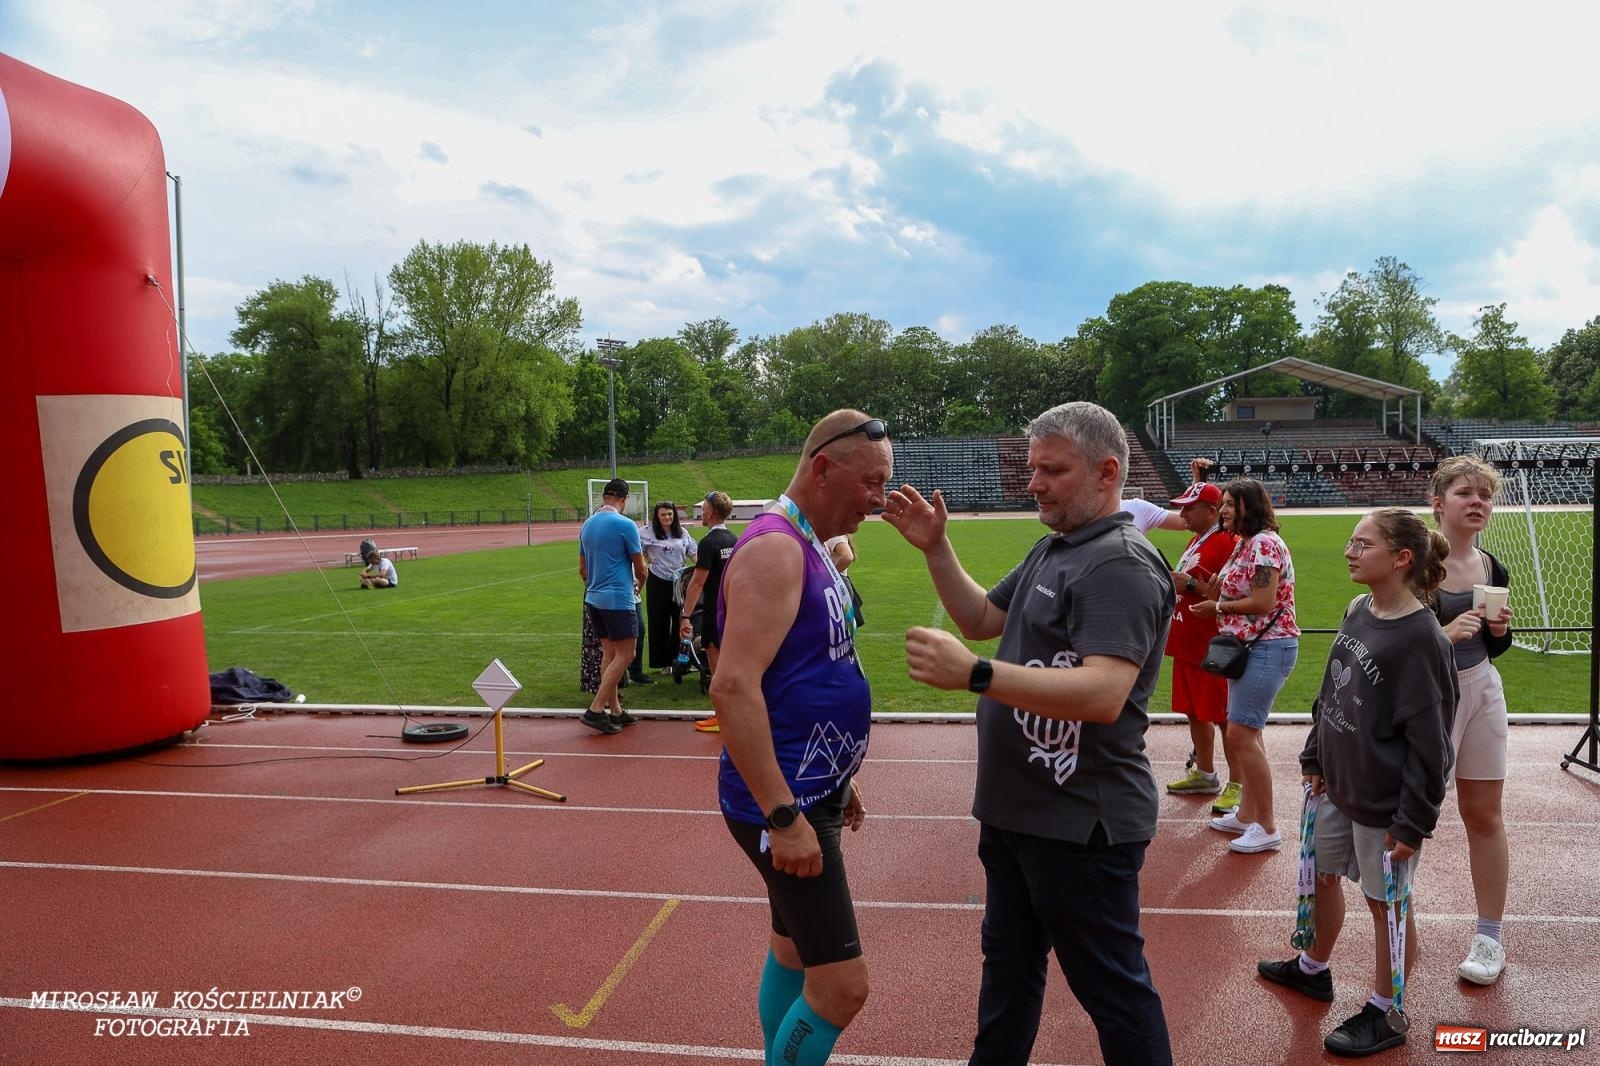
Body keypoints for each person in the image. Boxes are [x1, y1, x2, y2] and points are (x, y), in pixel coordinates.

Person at [885, 401, 1173, 1066]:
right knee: (1009, 970)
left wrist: (977, 675)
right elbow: (981, 617)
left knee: (1113, 991)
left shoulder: (1119, 563)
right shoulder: (1057, 546)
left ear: (1107, 472)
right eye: (1033, 468)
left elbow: (1104, 692)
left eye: (1053, 470)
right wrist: (936, 547)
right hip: (1018, 809)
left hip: (1080, 821)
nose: (1034, 483)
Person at [710, 410, 889, 1066]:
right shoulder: (776, 550)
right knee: (841, 989)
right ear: (822, 469)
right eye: (871, 482)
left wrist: (841, 773)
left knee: (791, 952)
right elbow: (733, 687)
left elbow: (812, 668)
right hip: (785, 802)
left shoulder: (808, 541)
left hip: (814, 783)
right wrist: (783, 816)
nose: (880, 499)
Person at [1257, 508, 1457, 1058]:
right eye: (1351, 541)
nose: (1350, 551)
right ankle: (1313, 967)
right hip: (1338, 786)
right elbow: (1331, 692)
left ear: (1401, 558)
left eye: (1363, 544)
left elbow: (1432, 744)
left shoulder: (1422, 640)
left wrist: (1413, 821)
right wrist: (1314, 755)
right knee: (1322, 877)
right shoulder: (1358, 609)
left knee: (1386, 905)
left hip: (1384, 803)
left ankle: (1387, 1009)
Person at [1429, 455, 1515, 985]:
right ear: (1438, 503)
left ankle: (1490, 938)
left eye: (1485, 494)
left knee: (1484, 816)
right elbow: (1391, 642)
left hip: (1482, 689)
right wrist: (1443, 635)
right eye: (1466, 493)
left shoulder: (1491, 566)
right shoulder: (1414, 563)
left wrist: (1499, 632)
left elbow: (1495, 647)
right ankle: (1397, 933)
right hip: (1430, 699)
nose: (1478, 502)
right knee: (1409, 819)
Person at [1190, 478, 1299, 854]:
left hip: (1267, 647)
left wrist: (1218, 606)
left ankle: (1267, 825)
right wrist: (1210, 589)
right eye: (1222, 504)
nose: (1222, 511)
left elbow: (1264, 602)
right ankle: (1248, 813)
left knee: (1239, 734)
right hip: (1250, 648)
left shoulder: (1264, 544)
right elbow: (1238, 591)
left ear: (1248, 507)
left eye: (1229, 504)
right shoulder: (1244, 543)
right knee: (1249, 732)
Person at [1160, 481, 1243, 813]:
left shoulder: (1228, 542)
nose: (1182, 514)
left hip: (1214, 646)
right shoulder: (1197, 539)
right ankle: (1205, 773)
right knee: (1194, 711)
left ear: (1211, 511)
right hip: (1188, 643)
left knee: (1225, 717)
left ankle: (1237, 784)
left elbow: (1234, 595)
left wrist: (1190, 584)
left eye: (1188, 508)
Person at [577, 478, 648, 735]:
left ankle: (615, 709)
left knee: (609, 654)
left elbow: (582, 569)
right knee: (627, 654)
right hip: (618, 598)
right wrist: (639, 586)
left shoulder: (587, 525)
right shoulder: (626, 525)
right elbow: (641, 567)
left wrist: (595, 585)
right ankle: (596, 709)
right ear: (625, 499)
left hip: (593, 598)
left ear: (604, 496)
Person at [679, 491, 738, 733]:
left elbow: (697, 582)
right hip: (733, 610)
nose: (701, 513)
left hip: (714, 612)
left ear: (711, 513)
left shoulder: (708, 543)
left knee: (717, 668)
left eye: (703, 508)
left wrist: (685, 615)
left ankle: (722, 717)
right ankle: (732, 715)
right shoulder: (734, 539)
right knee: (731, 666)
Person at [641, 499, 697, 671]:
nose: (667, 517)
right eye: (663, 514)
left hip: (679, 583)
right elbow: (634, 549)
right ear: (657, 516)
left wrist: (703, 567)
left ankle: (679, 660)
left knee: (681, 620)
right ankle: (663, 663)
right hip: (658, 581)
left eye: (670, 514)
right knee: (659, 622)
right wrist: (645, 559)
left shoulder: (682, 533)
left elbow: (692, 552)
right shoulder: (646, 532)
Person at [824, 534, 864, 629]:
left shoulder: (835, 536)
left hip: (839, 583)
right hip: (840, 581)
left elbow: (847, 557)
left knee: (843, 625)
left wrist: (830, 575)